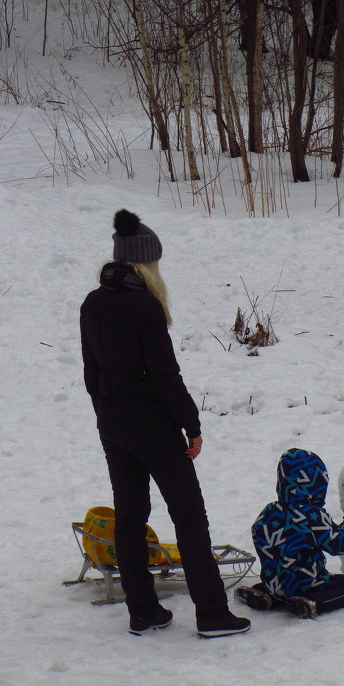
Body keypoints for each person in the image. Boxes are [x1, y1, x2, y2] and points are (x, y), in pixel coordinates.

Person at [80, 208, 250, 638]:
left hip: (114, 426)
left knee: (131, 518)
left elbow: (90, 372)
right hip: (153, 427)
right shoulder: (145, 306)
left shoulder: (93, 302)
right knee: (190, 518)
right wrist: (191, 425)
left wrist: (107, 415)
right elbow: (164, 375)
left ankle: (143, 611)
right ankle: (212, 613)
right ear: (144, 263)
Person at [235, 448, 344, 619]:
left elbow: (257, 531)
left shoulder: (270, 511)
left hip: (274, 582)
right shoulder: (311, 517)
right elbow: (342, 545)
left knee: (281, 581)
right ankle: (312, 602)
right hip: (308, 584)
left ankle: (266, 595)